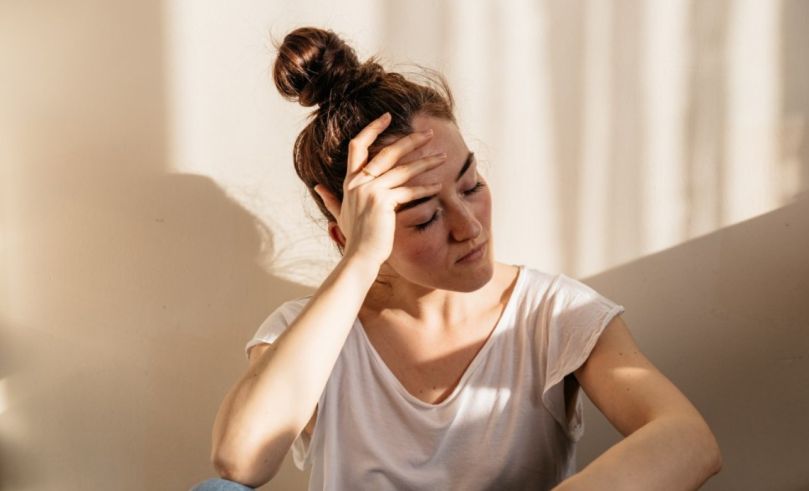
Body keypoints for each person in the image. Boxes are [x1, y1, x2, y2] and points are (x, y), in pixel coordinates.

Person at [191, 27, 722, 491]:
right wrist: (359, 263)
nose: (470, 228)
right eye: (423, 217)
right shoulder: (310, 334)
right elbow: (237, 464)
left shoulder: (553, 314)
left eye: (471, 185)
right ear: (347, 232)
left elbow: (687, 440)